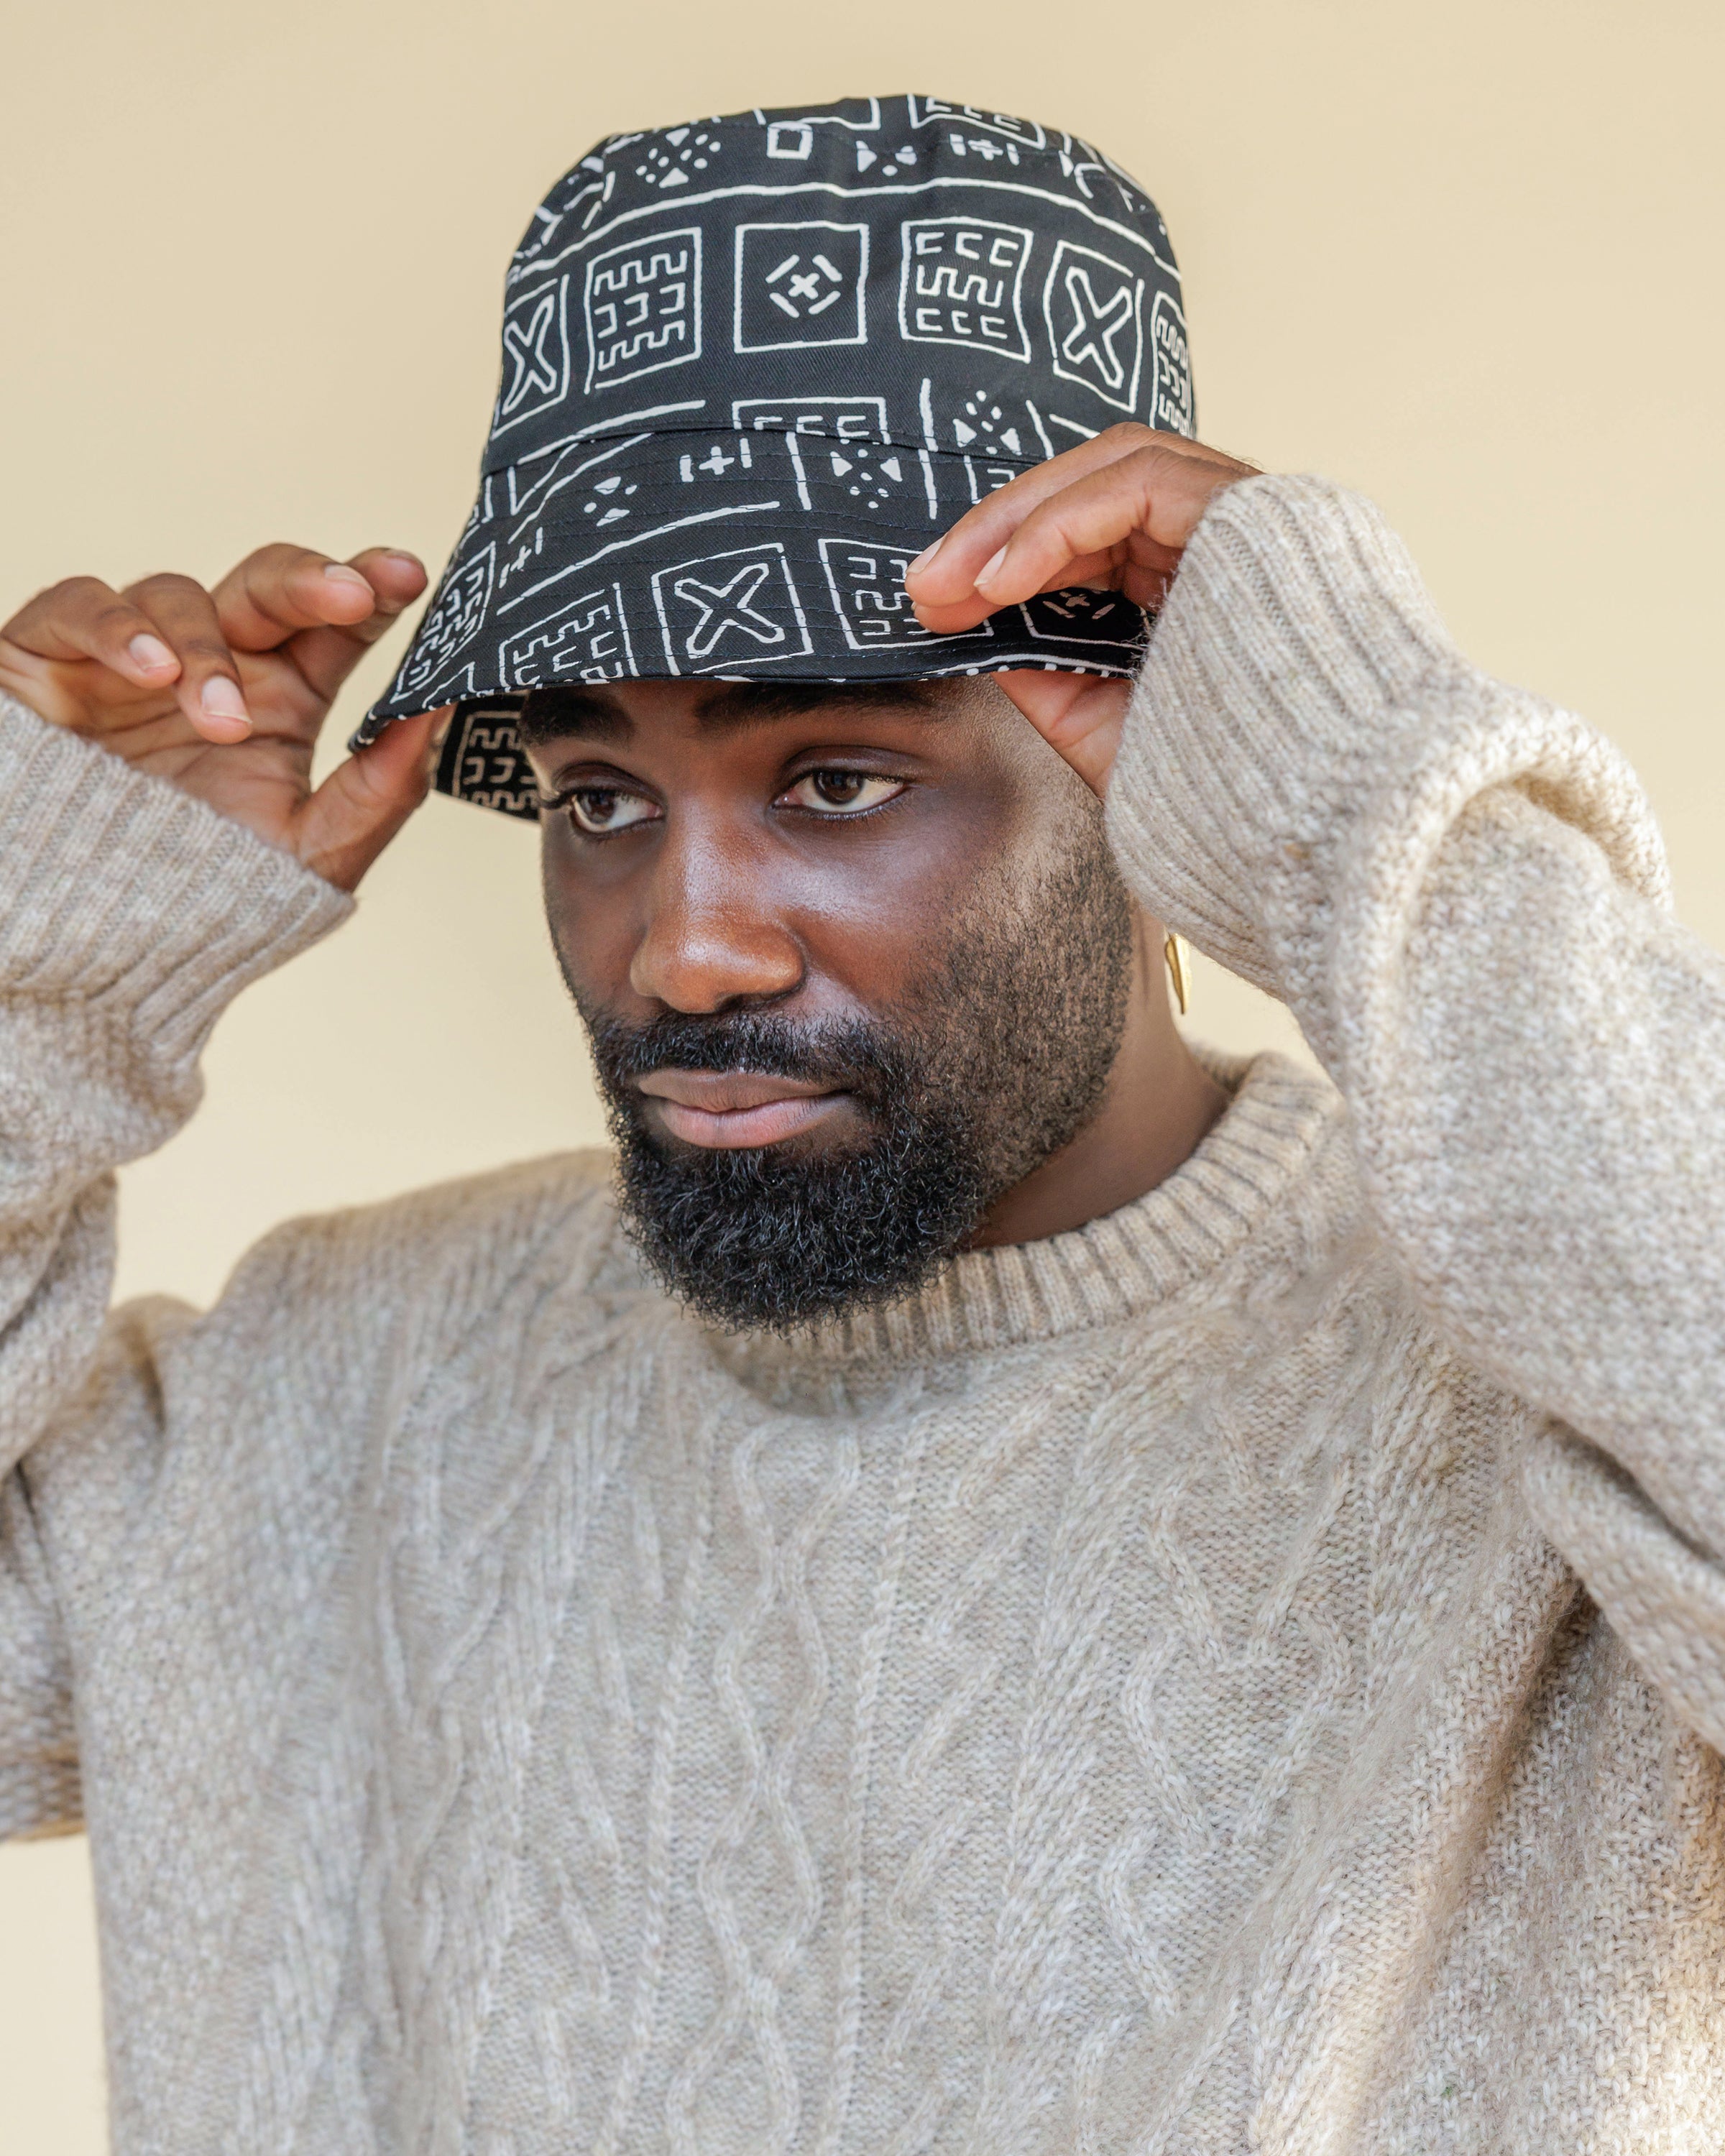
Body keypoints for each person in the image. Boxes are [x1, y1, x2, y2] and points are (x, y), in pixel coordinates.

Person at [1, 92, 1722, 2155]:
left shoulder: (1546, 1400)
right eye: (598, 799)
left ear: (1151, 757)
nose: (686, 947)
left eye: (835, 778)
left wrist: (1365, 783)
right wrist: (43, 965)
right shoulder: (327, 1393)